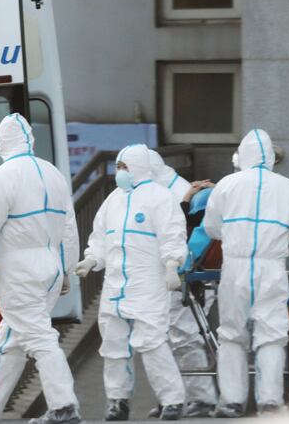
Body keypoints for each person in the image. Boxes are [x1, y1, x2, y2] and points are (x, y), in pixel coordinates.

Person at [0, 113, 80, 424]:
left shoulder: (4, 176)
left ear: (3, 143)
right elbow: (69, 228)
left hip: (20, 270)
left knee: (37, 337)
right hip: (50, 265)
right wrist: (66, 269)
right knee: (12, 339)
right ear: (31, 139)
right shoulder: (53, 174)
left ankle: (64, 407)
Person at [203, 129, 289, 417]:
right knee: (271, 335)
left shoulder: (227, 184)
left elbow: (211, 227)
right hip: (272, 268)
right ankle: (270, 402)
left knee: (232, 334)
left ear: (242, 155)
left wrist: (235, 234)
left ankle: (231, 401)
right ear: (271, 156)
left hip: (235, 266)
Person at [74, 144, 188, 421]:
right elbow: (100, 237)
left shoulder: (160, 197)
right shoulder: (113, 200)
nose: (119, 172)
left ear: (137, 167)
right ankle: (117, 401)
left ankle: (172, 400)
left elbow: (172, 234)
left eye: (124, 166)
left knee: (151, 342)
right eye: (118, 166)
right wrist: (91, 260)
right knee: (113, 346)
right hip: (114, 285)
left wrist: (173, 264)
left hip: (147, 282)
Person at [148, 149, 218, 418]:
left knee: (183, 336)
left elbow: (185, 234)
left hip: (187, 274)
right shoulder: (174, 189)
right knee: (174, 337)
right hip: (183, 273)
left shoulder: (172, 193)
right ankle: (179, 398)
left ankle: (200, 398)